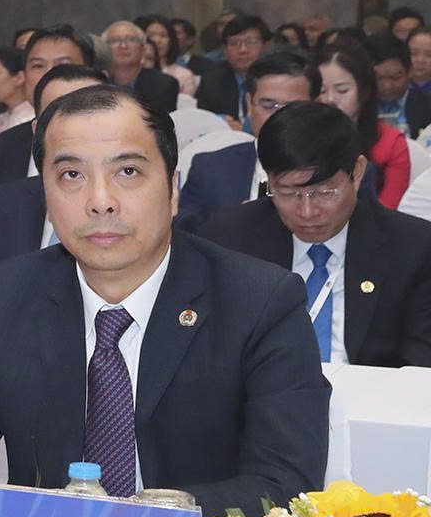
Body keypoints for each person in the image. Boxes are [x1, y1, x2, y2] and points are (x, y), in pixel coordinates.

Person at [0, 85, 329, 517]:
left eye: (128, 172)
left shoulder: (259, 301)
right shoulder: (3, 297)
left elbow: (284, 484)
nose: (100, 201)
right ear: (45, 193)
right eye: (71, 175)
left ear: (172, 189)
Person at [202, 102, 431, 368]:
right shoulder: (230, 240)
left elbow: (420, 364)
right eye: (288, 192)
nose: (307, 211)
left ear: (357, 172)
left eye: (324, 192)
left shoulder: (412, 246)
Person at [0, 64, 109, 331]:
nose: (80, 133)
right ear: (37, 130)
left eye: (94, 116)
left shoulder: (136, 210)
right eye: (62, 116)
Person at [176, 51, 321, 231]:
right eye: (268, 105)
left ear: (316, 106)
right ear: (249, 103)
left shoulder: (339, 169)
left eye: (293, 107)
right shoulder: (210, 168)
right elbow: (185, 233)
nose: (279, 116)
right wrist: (231, 224)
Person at [0, 25, 93, 193]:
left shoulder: (115, 142)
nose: (49, 73)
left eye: (63, 64)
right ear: (23, 77)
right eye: (38, 66)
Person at [316, 44, 411, 210]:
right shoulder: (302, 137)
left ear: (364, 90)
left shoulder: (392, 143)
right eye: (322, 91)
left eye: (342, 90)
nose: (330, 99)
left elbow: (387, 212)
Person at [195, 14, 269, 121]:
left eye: (251, 42)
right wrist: (220, 122)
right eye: (234, 43)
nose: (242, 50)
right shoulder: (211, 80)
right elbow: (203, 119)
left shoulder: (278, 79)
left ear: (265, 46)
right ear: (225, 49)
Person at [102, 20, 179, 114]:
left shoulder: (163, 84)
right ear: (104, 49)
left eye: (131, 39)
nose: (123, 46)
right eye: (114, 40)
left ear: (143, 49)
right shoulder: (96, 83)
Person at [365, 32, 431, 138]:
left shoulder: (427, 105)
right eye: (378, 78)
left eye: (396, 77)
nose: (387, 86)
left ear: (410, 71)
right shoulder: (358, 105)